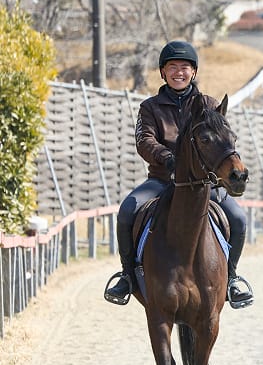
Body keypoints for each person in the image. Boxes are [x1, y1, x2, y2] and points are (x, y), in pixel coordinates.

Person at [103, 40, 253, 308]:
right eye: (172, 67)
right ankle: (127, 276)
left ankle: (230, 278)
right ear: (163, 72)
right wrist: (169, 158)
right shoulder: (150, 108)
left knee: (239, 219)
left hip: (205, 183)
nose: (179, 72)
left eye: (185, 67)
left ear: (193, 72)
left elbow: (223, 141)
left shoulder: (209, 104)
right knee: (128, 209)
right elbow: (144, 141)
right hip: (162, 180)